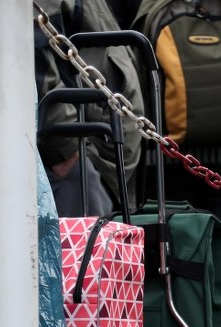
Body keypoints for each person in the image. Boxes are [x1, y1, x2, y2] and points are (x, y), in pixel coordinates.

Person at [35, 0, 145, 216]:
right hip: (75, 158)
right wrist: (65, 149)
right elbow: (31, 53)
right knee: (82, 247)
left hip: (101, 155)